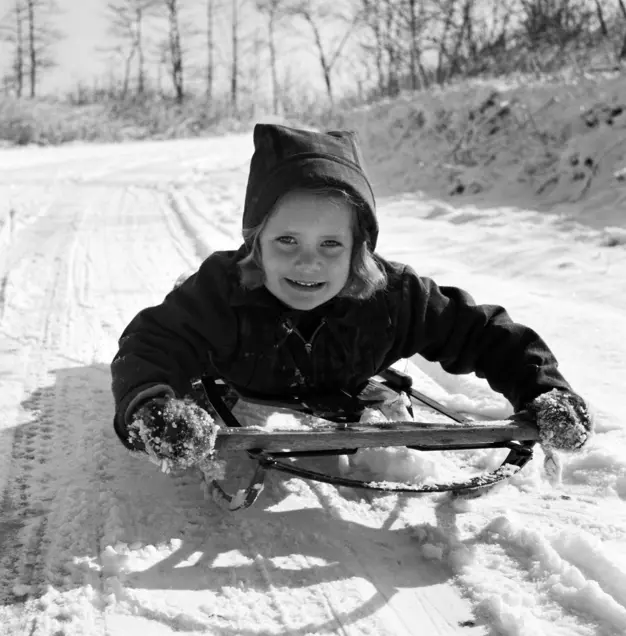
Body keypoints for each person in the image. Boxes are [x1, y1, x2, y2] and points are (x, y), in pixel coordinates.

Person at [110, 123, 592, 471]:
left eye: (331, 245)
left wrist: (545, 391)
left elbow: (483, 332)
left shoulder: (393, 297)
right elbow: (152, 343)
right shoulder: (221, 291)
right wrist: (153, 408)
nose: (307, 263)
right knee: (184, 322)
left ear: (359, 248)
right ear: (256, 240)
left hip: (339, 369)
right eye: (286, 241)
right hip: (238, 372)